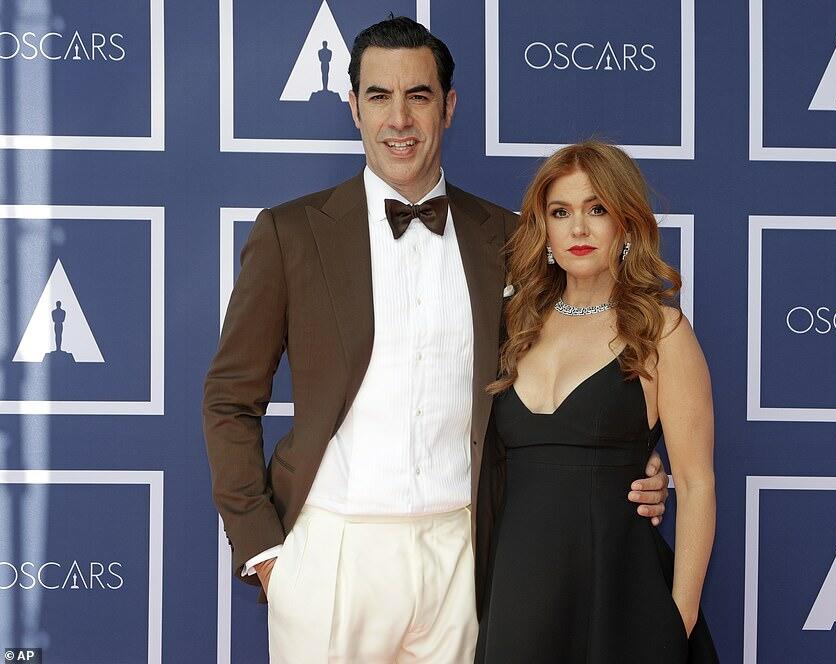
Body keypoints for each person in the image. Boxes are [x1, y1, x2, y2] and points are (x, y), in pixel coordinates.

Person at [203, 18, 670, 663]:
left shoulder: (511, 238)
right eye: (379, 96)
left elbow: (570, 361)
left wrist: (630, 460)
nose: (399, 119)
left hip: (465, 555)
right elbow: (230, 399)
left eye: (418, 96)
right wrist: (265, 553)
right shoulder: (291, 233)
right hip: (333, 554)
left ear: (448, 107)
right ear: (354, 107)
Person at [475, 141, 718, 663]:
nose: (579, 229)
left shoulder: (662, 332)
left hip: (622, 600)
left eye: (597, 209)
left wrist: (678, 618)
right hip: (518, 596)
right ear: (543, 227)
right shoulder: (511, 327)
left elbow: (697, 483)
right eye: (561, 212)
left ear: (626, 224)